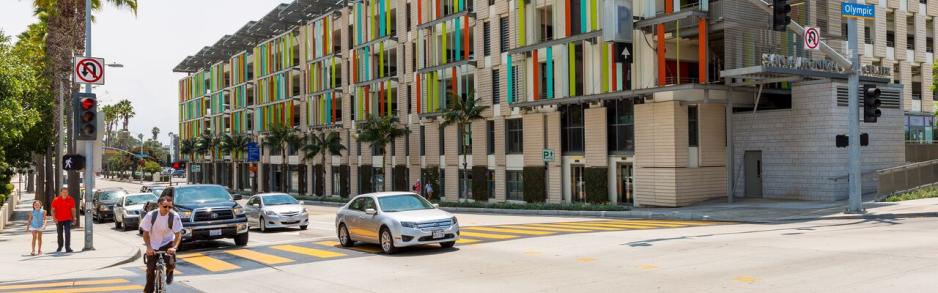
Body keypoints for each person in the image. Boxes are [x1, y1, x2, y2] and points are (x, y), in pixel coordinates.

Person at [142, 196, 183, 293]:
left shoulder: (174, 216)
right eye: (165, 207)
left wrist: (174, 247)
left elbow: (178, 234)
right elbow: (145, 233)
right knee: (150, 269)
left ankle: (170, 271)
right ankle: (149, 290)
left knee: (170, 263)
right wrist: (149, 247)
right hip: (153, 243)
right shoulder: (151, 215)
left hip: (168, 243)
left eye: (170, 207)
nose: (168, 209)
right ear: (159, 205)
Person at [50, 188, 76, 253]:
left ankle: (68, 247)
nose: (65, 193)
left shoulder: (71, 199)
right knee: (59, 234)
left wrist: (74, 218)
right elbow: (52, 210)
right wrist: (54, 218)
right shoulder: (56, 200)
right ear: (61, 193)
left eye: (66, 192)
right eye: (63, 192)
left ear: (68, 193)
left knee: (67, 233)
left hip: (68, 219)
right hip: (58, 219)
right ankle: (60, 246)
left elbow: (73, 210)